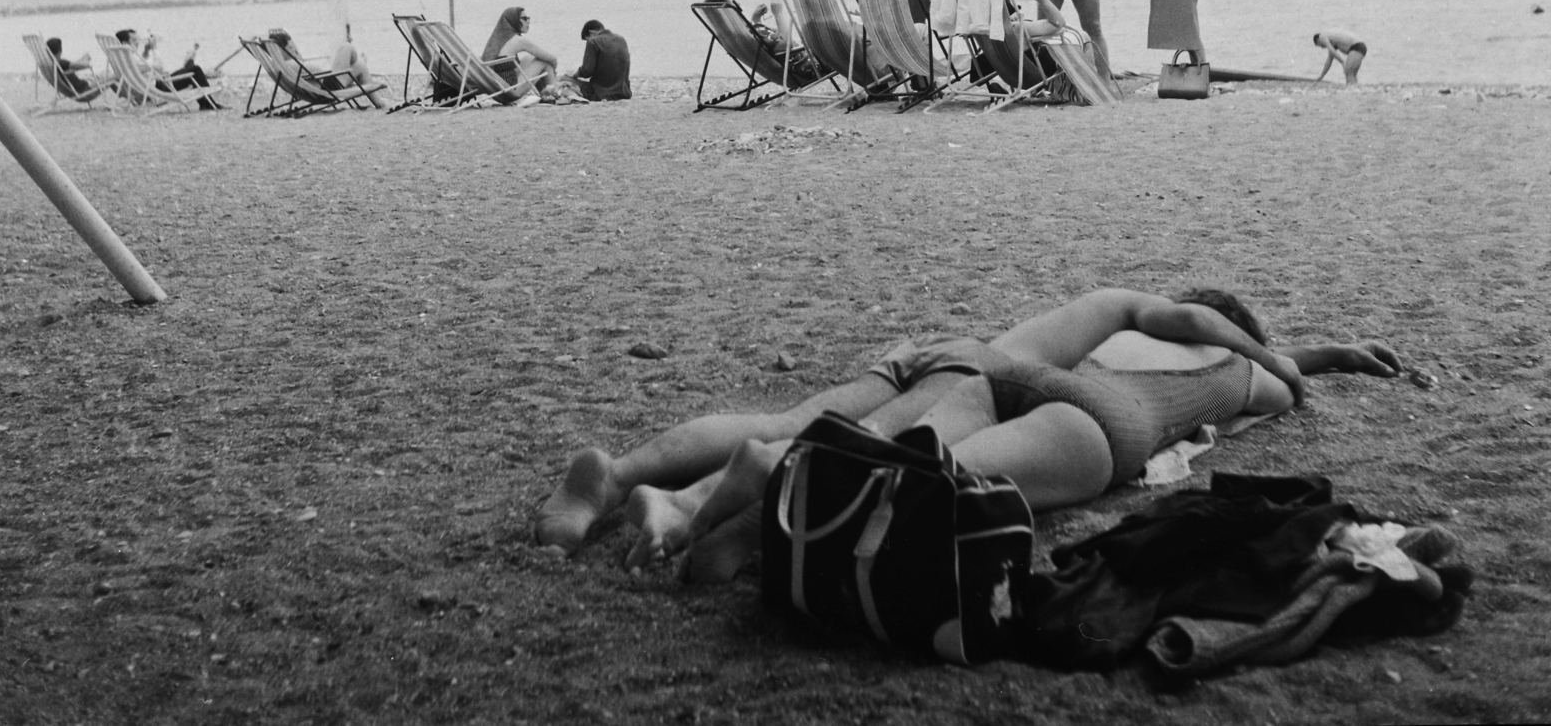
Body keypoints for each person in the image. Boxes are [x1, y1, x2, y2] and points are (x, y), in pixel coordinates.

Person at [534, 287, 1401, 581]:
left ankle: (643, 483)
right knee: (929, 475)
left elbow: (1158, 312)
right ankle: (759, 515)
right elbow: (1238, 343)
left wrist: (1333, 353)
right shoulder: (1235, 368)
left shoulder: (1111, 309)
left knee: (797, 423)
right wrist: (1287, 361)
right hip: (1092, 417)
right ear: (1228, 322)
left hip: (967, 363)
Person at [117, 28, 224, 110]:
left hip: (156, 83)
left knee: (190, 68)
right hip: (161, 88)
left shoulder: (124, 58)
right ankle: (208, 103)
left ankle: (205, 102)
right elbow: (159, 67)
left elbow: (143, 68)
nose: (138, 42)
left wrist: (146, 51)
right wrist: (154, 48)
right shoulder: (132, 59)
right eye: (134, 40)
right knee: (195, 69)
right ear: (125, 43)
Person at [481, 7, 560, 105]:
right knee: (544, 62)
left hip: (498, 90)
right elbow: (552, 59)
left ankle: (547, 93)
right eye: (524, 19)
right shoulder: (518, 41)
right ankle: (554, 94)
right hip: (510, 91)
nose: (528, 22)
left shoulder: (498, 41)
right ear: (513, 20)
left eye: (529, 18)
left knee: (529, 58)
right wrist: (554, 70)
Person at [575, 20, 632, 102]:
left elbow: (587, 71)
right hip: (623, 92)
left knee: (565, 80)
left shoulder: (593, 42)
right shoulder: (621, 39)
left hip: (600, 93)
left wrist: (576, 74)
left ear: (591, 33)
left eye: (587, 40)